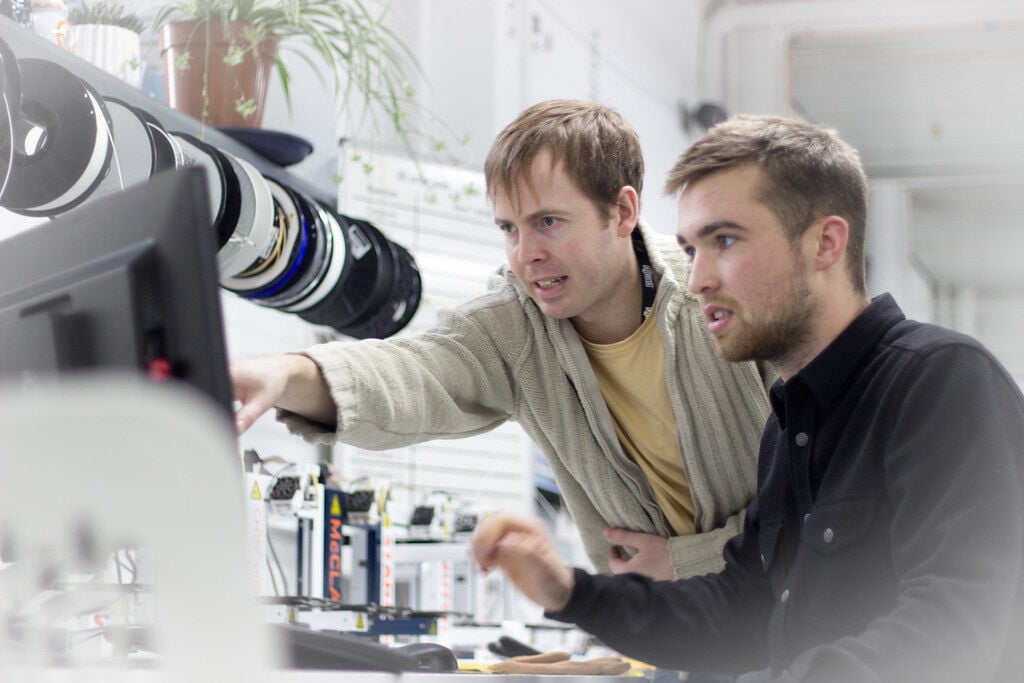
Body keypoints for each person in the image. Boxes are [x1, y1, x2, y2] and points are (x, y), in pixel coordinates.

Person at [472, 114, 1024, 682]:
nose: (697, 279)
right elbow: (740, 611)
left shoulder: (940, 382)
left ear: (825, 243)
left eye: (725, 241)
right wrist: (568, 591)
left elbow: (951, 636)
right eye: (691, 247)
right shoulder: (788, 425)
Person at [230, 99, 774, 582]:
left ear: (623, 211)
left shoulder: (726, 297)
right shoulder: (517, 326)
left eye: (549, 222)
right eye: (509, 229)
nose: (526, 253)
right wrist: (285, 374)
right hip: (671, 631)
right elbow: (418, 372)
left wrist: (688, 563)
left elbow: (821, 490)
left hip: (796, 621)